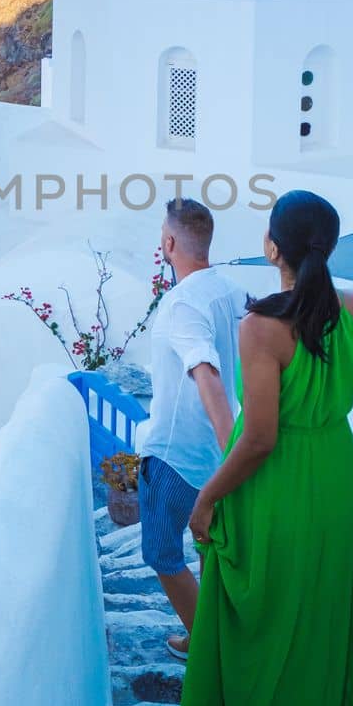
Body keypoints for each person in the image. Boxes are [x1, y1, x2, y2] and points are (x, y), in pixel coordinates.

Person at [179, 189, 353, 706]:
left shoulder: (261, 328)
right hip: (335, 477)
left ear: (271, 247)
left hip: (280, 484)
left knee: (263, 618)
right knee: (312, 617)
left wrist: (206, 498)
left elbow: (259, 437)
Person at [135, 198, 244, 662]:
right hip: (213, 457)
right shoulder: (232, 293)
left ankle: (206, 647)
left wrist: (232, 454)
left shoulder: (181, 305)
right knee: (206, 548)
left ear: (170, 242)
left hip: (175, 455)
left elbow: (208, 374)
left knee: (161, 553)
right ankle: (212, 632)